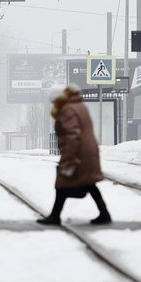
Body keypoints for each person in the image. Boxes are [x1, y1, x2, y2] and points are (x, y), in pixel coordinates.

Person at [37, 83, 112, 226]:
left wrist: (69, 156)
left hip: (78, 151)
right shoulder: (79, 105)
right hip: (87, 150)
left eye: (53, 102)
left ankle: (55, 216)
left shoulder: (67, 109)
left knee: (63, 182)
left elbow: (73, 134)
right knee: (88, 183)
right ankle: (104, 213)